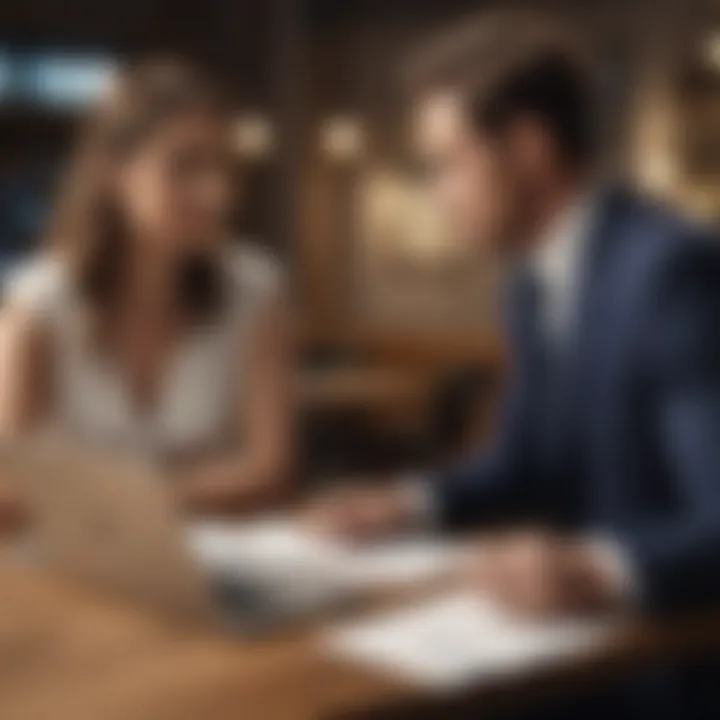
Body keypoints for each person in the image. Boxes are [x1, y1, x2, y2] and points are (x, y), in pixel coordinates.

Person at [305, 12, 720, 714]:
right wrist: (407, 504)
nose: (438, 195)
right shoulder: (530, 283)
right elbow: (523, 462)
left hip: (668, 670)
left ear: (528, 148)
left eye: (446, 163)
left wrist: (599, 570)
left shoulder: (669, 271)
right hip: (568, 656)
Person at [0, 58, 293, 513]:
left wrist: (105, 499)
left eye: (223, 167)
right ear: (112, 175)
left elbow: (268, 471)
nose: (218, 193)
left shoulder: (253, 290)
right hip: (70, 567)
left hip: (215, 561)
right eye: (184, 167)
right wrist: (169, 495)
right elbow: (8, 482)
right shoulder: (39, 304)